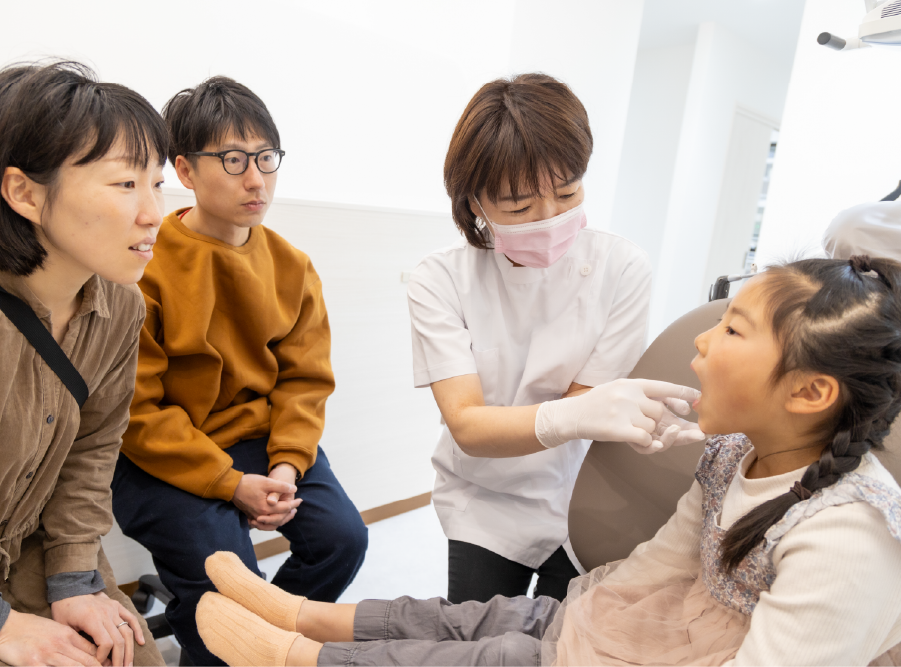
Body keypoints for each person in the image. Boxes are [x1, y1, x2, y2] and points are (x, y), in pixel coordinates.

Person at [192, 254, 901, 667]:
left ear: (810, 391)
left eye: (734, 327)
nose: (705, 342)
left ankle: (295, 657)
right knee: (493, 615)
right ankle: (301, 613)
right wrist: (587, 608)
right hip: (662, 615)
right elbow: (667, 554)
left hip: (685, 654)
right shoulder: (735, 452)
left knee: (493, 655)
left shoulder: (846, 541)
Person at [0, 63, 168, 666]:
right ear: (23, 192)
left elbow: (92, 449)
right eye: (126, 184)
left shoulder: (120, 308)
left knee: (128, 650)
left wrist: (74, 577)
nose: (153, 212)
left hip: (30, 554)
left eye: (156, 183)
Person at [405, 72, 704, 603]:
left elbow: (591, 408)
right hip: (484, 498)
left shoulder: (621, 267)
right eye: (519, 208)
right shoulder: (440, 279)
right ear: (475, 203)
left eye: (568, 194)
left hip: (580, 492)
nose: (549, 219)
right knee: (472, 639)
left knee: (557, 642)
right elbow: (470, 426)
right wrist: (577, 414)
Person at [111, 76, 368, 666]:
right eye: (232, 160)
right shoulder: (143, 267)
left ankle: (253, 642)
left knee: (343, 540)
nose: (255, 179)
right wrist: (231, 485)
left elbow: (304, 383)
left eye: (265, 158)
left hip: (259, 444)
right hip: (163, 456)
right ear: (184, 169)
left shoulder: (292, 266)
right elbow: (136, 410)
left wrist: (285, 467)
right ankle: (226, 643)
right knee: (228, 577)